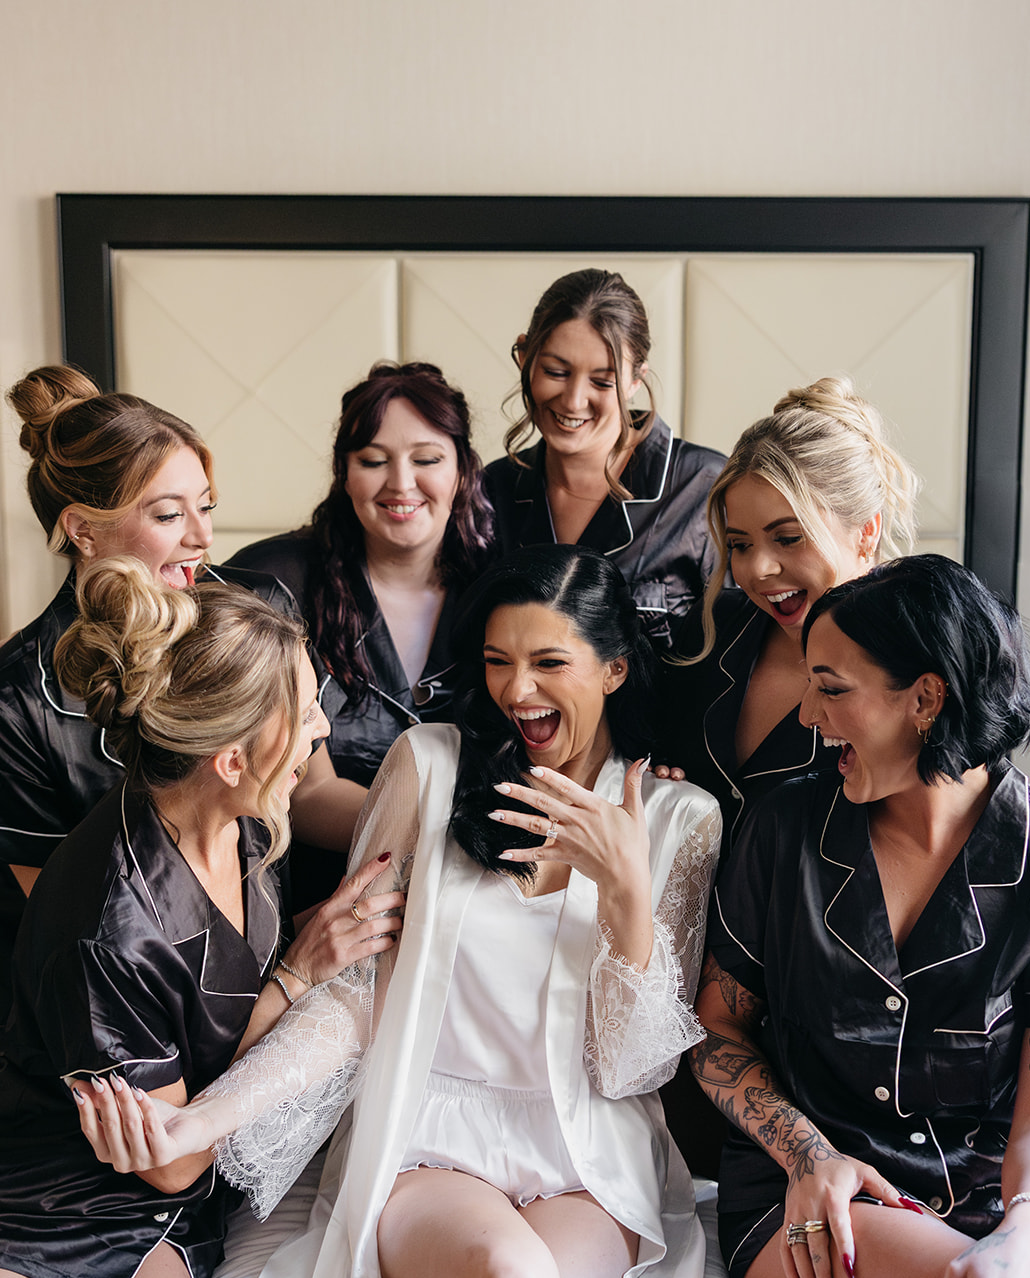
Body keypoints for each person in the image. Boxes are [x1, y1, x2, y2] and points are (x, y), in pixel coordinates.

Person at [81, 547, 722, 1278]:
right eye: (498, 661)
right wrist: (204, 1119)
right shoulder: (430, 768)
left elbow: (631, 1068)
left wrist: (626, 895)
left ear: (613, 669)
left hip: (585, 1164)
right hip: (432, 1147)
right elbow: (356, 998)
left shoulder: (677, 819)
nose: (517, 690)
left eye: (549, 663)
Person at [0, 558, 403, 1278]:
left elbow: (199, 1080)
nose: (321, 730)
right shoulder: (112, 926)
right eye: (304, 715)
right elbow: (173, 1163)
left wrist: (301, 961)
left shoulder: (245, 822)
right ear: (231, 756)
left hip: (153, 1205)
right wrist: (296, 984)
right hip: (43, 1186)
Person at [696, 553, 1030, 1278]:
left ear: (924, 698)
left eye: (831, 688)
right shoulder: (780, 829)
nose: (807, 717)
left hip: (989, 1201)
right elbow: (713, 1033)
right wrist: (805, 1152)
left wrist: (1026, 1241)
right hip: (811, 1199)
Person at [0, 366, 362, 1008]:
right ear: (82, 529)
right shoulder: (17, 701)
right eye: (169, 514)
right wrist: (291, 977)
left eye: (206, 506)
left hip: (272, 969)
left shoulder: (257, 611)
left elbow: (309, 791)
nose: (203, 537)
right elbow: (71, 936)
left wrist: (424, 825)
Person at [657, 376, 919, 854]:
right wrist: (658, 785)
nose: (757, 569)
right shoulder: (714, 627)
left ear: (866, 531)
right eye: (740, 545)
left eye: (788, 538)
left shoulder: (918, 666)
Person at [227, 360, 496, 795]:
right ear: (345, 475)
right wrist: (435, 829)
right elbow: (300, 789)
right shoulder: (272, 582)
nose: (401, 483)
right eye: (373, 461)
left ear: (462, 470)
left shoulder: (502, 586)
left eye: (426, 459)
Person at [484, 269, 725, 651]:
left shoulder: (704, 487)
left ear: (635, 380)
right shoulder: (492, 490)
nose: (573, 400)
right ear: (524, 357)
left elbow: (744, 652)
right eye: (555, 372)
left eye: (602, 381)